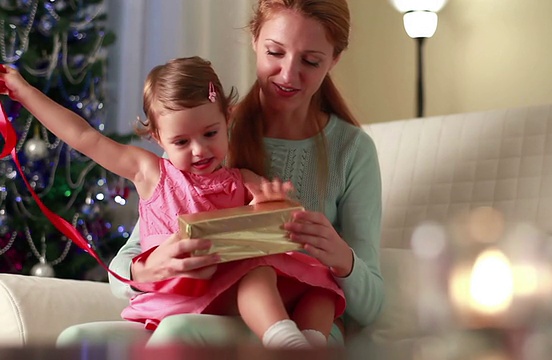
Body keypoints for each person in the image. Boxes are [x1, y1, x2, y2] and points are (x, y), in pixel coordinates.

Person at [57, 0, 384, 348]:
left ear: (333, 59)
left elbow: (372, 305)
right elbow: (133, 252)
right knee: (76, 341)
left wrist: (342, 259)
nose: (288, 74)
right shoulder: (209, 132)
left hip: (300, 324)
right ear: (255, 40)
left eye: (311, 61)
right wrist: (145, 270)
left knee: (178, 334)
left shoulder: (351, 150)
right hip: (205, 307)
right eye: (275, 52)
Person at [0, 56, 346, 349]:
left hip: (235, 298)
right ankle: (286, 342)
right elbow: (84, 137)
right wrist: (25, 93)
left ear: (227, 119)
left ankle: (307, 345)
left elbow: (284, 223)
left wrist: (272, 204)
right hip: (186, 295)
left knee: (319, 286)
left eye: (210, 134)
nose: (199, 150)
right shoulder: (150, 172)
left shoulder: (241, 179)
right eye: (181, 141)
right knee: (258, 274)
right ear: (157, 137)